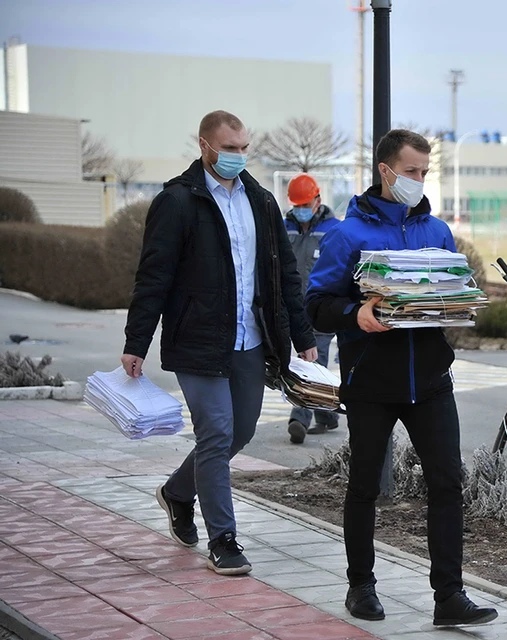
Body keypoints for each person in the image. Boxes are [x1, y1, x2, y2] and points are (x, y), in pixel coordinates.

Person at [304, 129, 498, 627]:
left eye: (424, 173)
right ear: (386, 171)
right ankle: (360, 586)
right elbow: (316, 307)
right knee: (365, 485)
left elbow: (454, 289)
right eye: (411, 171)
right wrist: (356, 314)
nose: (419, 180)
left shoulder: (437, 231)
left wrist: (458, 305)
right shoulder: (348, 236)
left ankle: (449, 597)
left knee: (448, 483)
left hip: (430, 381)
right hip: (371, 381)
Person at [121, 110, 317, 576]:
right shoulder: (176, 201)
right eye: (229, 148)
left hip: (250, 340)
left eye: (244, 147)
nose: (238, 156)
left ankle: (176, 492)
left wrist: (303, 337)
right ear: (205, 145)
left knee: (242, 431)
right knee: (216, 432)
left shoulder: (261, 200)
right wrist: (137, 341)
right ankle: (223, 539)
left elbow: (284, 273)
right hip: (197, 339)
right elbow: (154, 276)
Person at [284, 174, 341, 444]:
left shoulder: (334, 230)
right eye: (297, 205)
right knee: (311, 363)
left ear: (318, 201)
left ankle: (299, 418)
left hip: (321, 307)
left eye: (306, 204)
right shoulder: (284, 228)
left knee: (312, 361)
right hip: (293, 309)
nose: (301, 210)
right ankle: (328, 415)